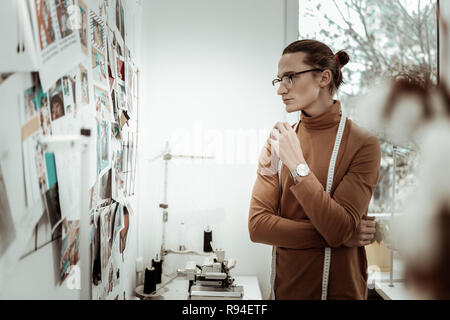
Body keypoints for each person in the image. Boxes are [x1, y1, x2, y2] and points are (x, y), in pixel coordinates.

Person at [248, 39, 381, 300]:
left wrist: (298, 165)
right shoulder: (277, 142)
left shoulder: (364, 145)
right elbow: (258, 226)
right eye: (279, 80)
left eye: (290, 77)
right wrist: (342, 235)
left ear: (324, 77)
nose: (280, 90)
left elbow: (338, 228)